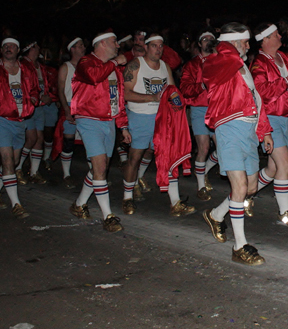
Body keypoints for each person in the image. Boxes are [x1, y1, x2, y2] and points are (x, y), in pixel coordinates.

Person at [202, 23, 274, 265]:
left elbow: (256, 99)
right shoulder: (217, 62)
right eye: (244, 41)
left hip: (249, 131)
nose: (248, 46)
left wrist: (264, 131)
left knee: (250, 188)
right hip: (229, 128)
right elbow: (213, 70)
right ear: (231, 43)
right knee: (240, 186)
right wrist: (225, 45)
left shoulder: (241, 66)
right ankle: (239, 246)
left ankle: (216, 214)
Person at [122, 33, 193, 216]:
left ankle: (175, 202)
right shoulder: (135, 65)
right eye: (154, 46)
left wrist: (179, 106)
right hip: (140, 116)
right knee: (135, 157)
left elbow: (171, 92)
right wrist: (152, 97)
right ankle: (127, 197)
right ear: (146, 47)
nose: (158, 49)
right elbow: (126, 94)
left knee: (168, 157)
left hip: (161, 119)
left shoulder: (165, 67)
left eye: (161, 46)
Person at [249, 23, 288, 227]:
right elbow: (261, 92)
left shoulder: (283, 57)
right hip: (269, 119)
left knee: (274, 168)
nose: (280, 36)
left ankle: (244, 195)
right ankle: (284, 213)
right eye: (276, 34)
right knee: (284, 162)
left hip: (284, 118)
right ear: (265, 40)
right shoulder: (259, 63)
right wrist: (287, 80)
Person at [69, 32, 131, 233]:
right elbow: (95, 76)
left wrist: (123, 126)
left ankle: (79, 204)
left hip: (109, 121)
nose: (117, 46)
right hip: (89, 120)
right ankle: (108, 216)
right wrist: (114, 63)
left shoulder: (115, 70)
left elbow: (118, 101)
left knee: (100, 169)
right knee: (100, 165)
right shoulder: (86, 62)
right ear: (102, 43)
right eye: (114, 42)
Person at [0, 37, 39, 219]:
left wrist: (33, 99)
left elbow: (34, 89)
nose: (8, 49)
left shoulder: (27, 69)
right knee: (7, 159)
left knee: (14, 160)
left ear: (18, 50)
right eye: (5, 46)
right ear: (1, 50)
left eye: (12, 46)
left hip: (19, 120)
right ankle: (16, 204)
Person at [180, 30, 218, 201]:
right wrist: (201, 86)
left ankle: (203, 170)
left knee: (223, 149)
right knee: (203, 147)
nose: (208, 41)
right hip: (200, 109)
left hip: (218, 108)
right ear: (199, 44)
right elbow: (185, 89)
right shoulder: (192, 65)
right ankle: (201, 185)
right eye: (205, 39)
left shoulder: (221, 61)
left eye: (211, 39)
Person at [18, 41, 58, 184]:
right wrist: (40, 97)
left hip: (39, 108)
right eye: (36, 46)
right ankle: (17, 167)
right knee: (31, 138)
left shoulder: (40, 67)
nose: (39, 49)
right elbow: (23, 87)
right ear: (30, 49)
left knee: (39, 139)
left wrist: (47, 97)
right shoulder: (22, 65)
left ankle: (33, 172)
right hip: (29, 106)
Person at [56, 37, 85, 188]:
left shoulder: (87, 66)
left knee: (89, 141)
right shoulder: (66, 67)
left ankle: (95, 173)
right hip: (70, 105)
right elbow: (60, 90)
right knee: (68, 141)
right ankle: (66, 174)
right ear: (72, 49)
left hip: (85, 107)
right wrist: (66, 110)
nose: (83, 48)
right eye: (80, 46)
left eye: (83, 45)